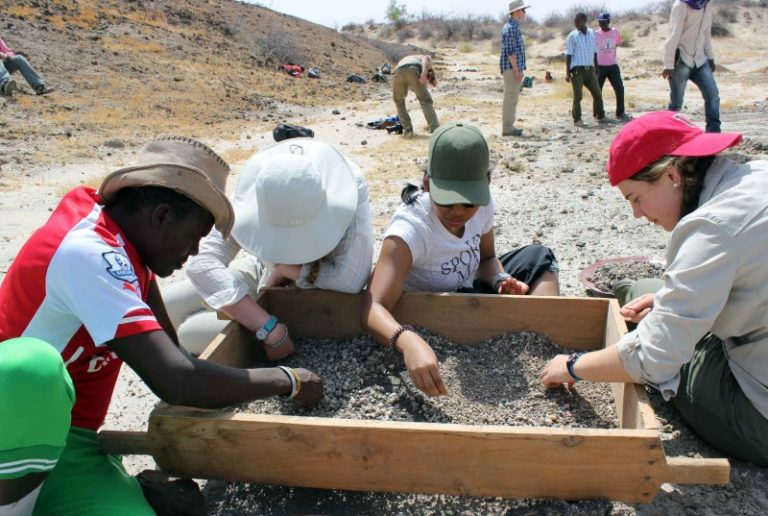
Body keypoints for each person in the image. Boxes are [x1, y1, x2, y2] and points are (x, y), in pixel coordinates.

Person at [0, 136, 323, 515]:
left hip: (70, 444)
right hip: (14, 431)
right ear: (162, 216)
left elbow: (175, 354)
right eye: (194, 237)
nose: (194, 253)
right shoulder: (88, 251)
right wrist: (287, 380)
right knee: (32, 367)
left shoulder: (131, 254)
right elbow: (176, 379)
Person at [541, 111, 768, 466]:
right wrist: (666, 301)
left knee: (659, 350)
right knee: (645, 291)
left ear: (673, 175)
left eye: (635, 197)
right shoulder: (756, 175)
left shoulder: (711, 229)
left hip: (759, 413)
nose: (636, 213)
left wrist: (572, 366)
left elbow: (655, 357)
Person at [362, 122, 560, 397]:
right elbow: (372, 308)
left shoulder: (484, 204)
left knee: (540, 257)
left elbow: (487, 257)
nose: (458, 212)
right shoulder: (409, 230)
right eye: (446, 202)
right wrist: (408, 342)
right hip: (428, 313)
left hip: (467, 287)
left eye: (468, 204)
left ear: (485, 185)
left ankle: (545, 346)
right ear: (427, 182)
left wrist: (499, 279)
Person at [163, 138, 374, 356]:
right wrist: (267, 326)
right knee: (165, 307)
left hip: (309, 297)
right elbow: (203, 262)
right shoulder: (265, 185)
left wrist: (290, 271)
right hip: (261, 271)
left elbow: (351, 279)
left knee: (187, 331)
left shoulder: (349, 189)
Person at [663, 0, 720, 133]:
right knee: (676, 104)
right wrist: (668, 64)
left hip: (700, 60)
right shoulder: (681, 5)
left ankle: (713, 133)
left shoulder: (706, 3)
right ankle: (667, 134)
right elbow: (673, 35)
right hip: (682, 60)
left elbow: (706, 32)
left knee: (713, 95)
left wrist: (710, 57)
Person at [565, 12, 606, 127]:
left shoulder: (592, 33)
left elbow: (595, 52)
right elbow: (568, 55)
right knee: (578, 96)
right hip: (577, 71)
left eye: (577, 20)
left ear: (584, 21)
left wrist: (597, 68)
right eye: (574, 21)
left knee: (597, 93)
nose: (575, 23)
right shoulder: (572, 36)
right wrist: (567, 73)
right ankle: (577, 120)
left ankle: (601, 116)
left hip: (590, 70)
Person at [500, 0, 530, 137]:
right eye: (523, 10)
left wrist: (519, 70)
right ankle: (507, 127)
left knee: (512, 97)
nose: (524, 13)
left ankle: (509, 126)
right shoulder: (510, 28)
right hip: (511, 69)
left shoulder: (513, 27)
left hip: (513, 68)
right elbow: (510, 53)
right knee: (510, 97)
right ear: (517, 12)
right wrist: (517, 71)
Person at [392, 54, 440, 139]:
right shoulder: (423, 57)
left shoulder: (407, 58)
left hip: (398, 71)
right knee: (425, 101)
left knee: (399, 101)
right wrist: (424, 73)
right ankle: (435, 129)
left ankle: (408, 130)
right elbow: (426, 58)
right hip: (413, 69)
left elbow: (404, 74)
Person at [595, 12, 629, 121]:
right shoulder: (595, 34)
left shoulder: (615, 32)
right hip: (600, 66)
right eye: (600, 22)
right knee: (597, 91)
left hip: (613, 65)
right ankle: (598, 114)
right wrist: (595, 67)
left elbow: (616, 44)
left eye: (604, 22)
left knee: (620, 89)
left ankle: (620, 113)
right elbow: (593, 51)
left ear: (608, 21)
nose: (601, 24)